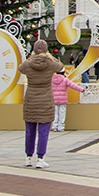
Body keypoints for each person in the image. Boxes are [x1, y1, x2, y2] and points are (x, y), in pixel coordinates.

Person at [18, 40, 63, 168]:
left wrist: (32, 57)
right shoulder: (50, 63)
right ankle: (40, 158)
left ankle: (28, 157)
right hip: (45, 100)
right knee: (43, 132)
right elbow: (60, 67)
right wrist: (49, 56)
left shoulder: (28, 63)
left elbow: (20, 68)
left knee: (29, 131)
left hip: (31, 100)